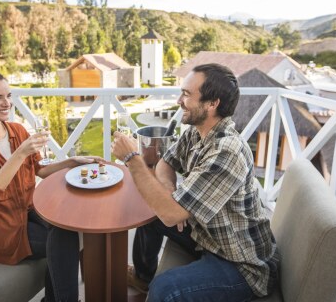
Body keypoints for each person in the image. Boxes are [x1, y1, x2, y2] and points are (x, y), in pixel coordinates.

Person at [111, 63, 279, 302]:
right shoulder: (197, 130)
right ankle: (142, 277)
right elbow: (165, 163)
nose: (179, 100)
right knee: (150, 213)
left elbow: (171, 214)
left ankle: (152, 285)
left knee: (164, 289)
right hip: (207, 235)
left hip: (240, 263)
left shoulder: (226, 152)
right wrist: (169, 194)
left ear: (212, 104)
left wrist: (132, 158)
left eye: (187, 94)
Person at [0, 72, 100, 302]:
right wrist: (20, 153)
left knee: (69, 226)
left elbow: (39, 168)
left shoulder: (17, 131)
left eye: (8, 96)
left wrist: (72, 162)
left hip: (29, 208)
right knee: (64, 242)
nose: (7, 103)